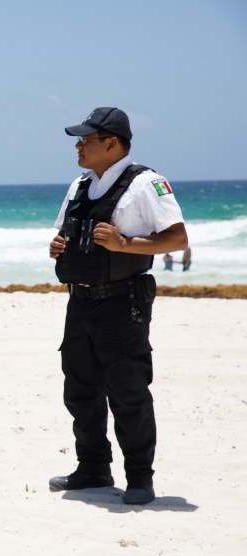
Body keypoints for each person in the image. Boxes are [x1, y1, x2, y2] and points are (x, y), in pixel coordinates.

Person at [48, 106, 188, 506]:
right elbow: (63, 236)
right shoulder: (80, 185)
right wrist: (58, 247)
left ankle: (140, 479)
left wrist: (126, 245)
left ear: (111, 143)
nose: (78, 146)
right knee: (80, 390)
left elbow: (177, 239)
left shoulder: (146, 184)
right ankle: (92, 468)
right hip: (80, 302)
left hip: (122, 304)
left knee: (128, 392)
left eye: (85, 140)